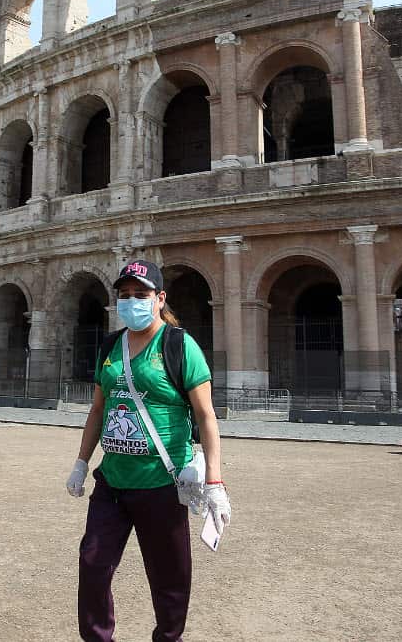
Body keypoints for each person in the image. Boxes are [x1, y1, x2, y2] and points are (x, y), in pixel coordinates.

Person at [66, 259, 231, 642]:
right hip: (113, 480)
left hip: (162, 481)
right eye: (124, 296)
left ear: (160, 298)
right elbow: (97, 409)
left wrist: (215, 482)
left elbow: (206, 416)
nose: (131, 302)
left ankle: (167, 638)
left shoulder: (178, 344)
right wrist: (80, 463)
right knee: (92, 564)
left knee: (169, 577)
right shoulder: (111, 345)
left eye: (141, 295)